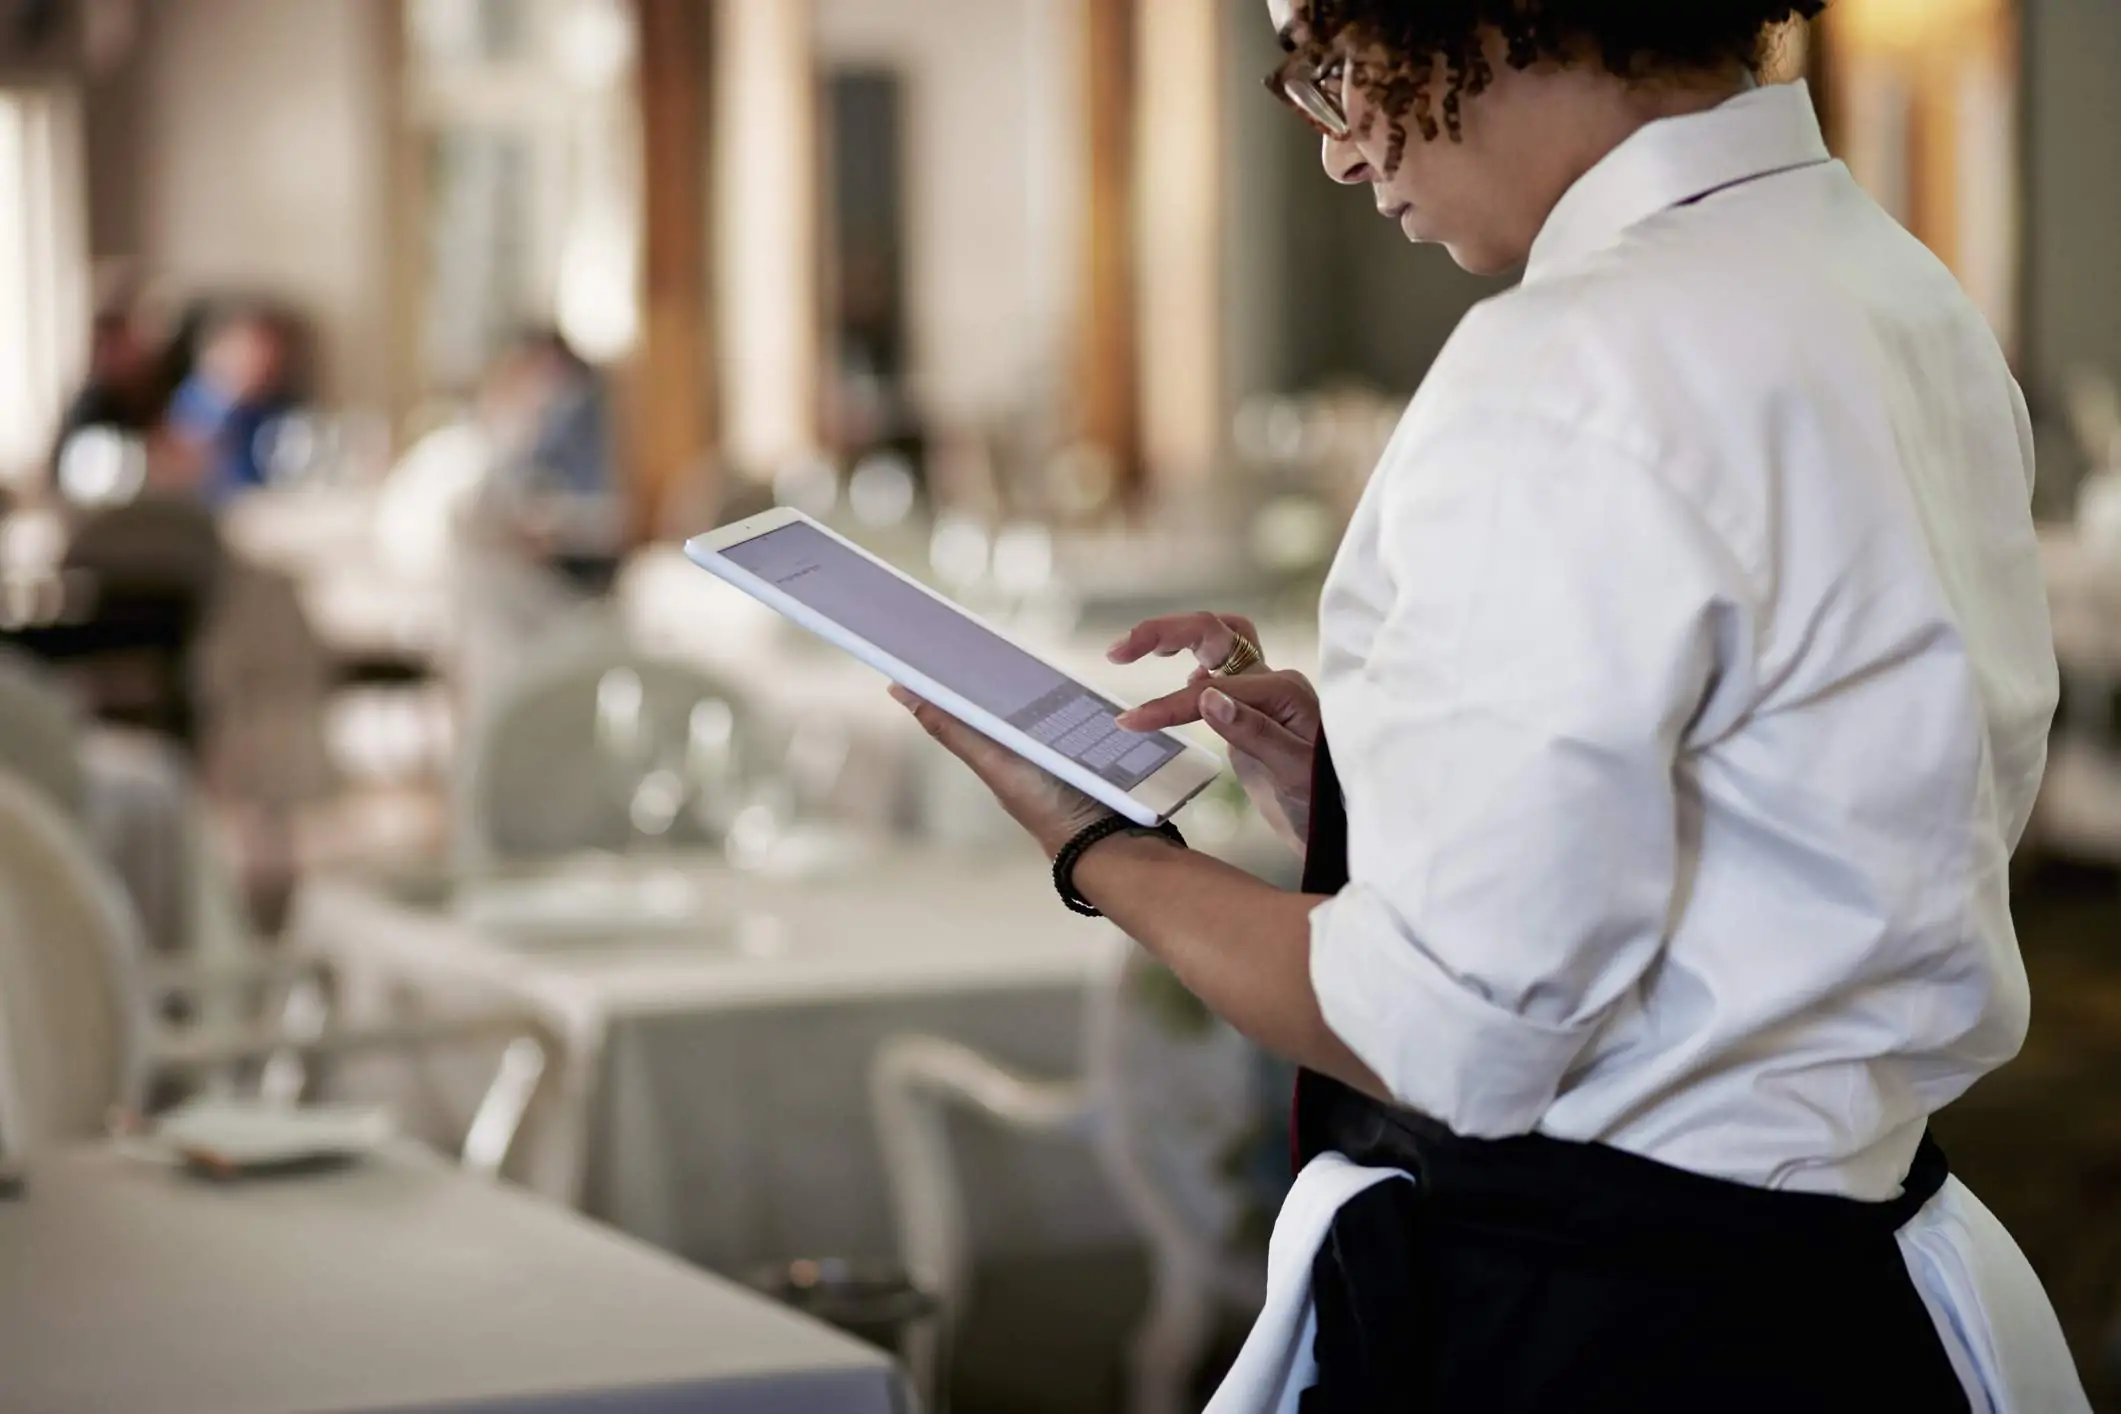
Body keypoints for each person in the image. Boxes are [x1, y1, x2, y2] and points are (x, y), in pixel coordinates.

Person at [893, 1, 2086, 1409]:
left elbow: (1441, 1033)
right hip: (1857, 1297)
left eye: (1329, 67)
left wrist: (1097, 846)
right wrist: (1363, 782)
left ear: (1480, 18)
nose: (1340, 155)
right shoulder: (1891, 286)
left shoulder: (1572, 360)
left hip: (1618, 1330)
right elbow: (1788, 793)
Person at [165, 305, 296, 505]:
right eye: (253, 351)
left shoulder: (273, 406)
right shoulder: (198, 401)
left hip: (263, 506)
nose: (263, 362)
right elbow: (188, 468)